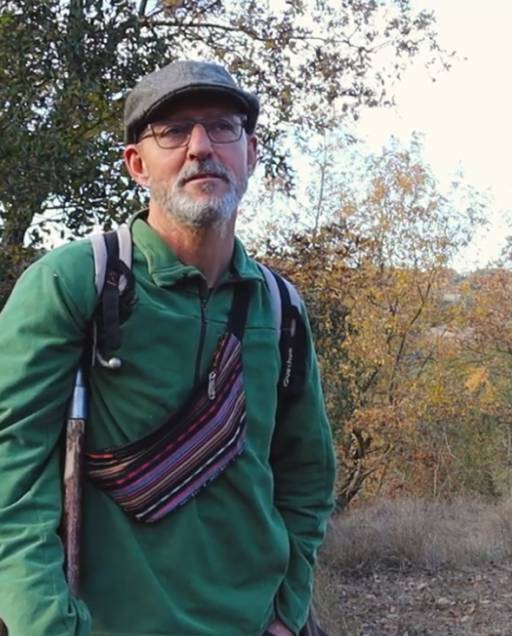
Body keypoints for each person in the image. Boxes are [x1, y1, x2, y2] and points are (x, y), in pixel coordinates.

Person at [0, 61, 336, 635]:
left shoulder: (280, 309)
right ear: (137, 164)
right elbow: (11, 481)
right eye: (174, 132)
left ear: (250, 153)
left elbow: (306, 477)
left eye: (222, 127)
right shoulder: (75, 282)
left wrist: (288, 608)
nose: (201, 147)